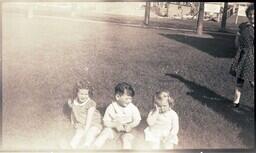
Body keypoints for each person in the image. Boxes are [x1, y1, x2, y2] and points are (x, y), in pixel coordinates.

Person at [93, 82, 141, 149]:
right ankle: (95, 147)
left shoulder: (132, 108)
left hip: (129, 129)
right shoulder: (111, 107)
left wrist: (131, 125)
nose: (129, 101)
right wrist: (114, 125)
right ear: (118, 97)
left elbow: (137, 120)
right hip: (114, 129)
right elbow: (105, 122)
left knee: (127, 139)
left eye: (131, 99)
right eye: (127, 99)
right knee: (105, 132)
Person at [229, 4, 254, 107]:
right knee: (240, 80)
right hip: (242, 55)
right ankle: (236, 102)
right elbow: (237, 41)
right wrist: (238, 44)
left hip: (252, 57)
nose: (252, 16)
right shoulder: (243, 26)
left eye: (254, 14)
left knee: (253, 82)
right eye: (250, 14)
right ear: (247, 15)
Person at [68, 80, 102, 149]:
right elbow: (73, 111)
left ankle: (86, 146)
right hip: (81, 123)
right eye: (81, 94)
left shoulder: (90, 104)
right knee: (78, 133)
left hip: (93, 123)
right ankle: (71, 146)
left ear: (89, 94)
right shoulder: (74, 102)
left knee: (90, 133)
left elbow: (89, 118)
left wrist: (86, 130)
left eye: (86, 94)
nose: (83, 96)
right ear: (76, 93)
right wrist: (72, 122)